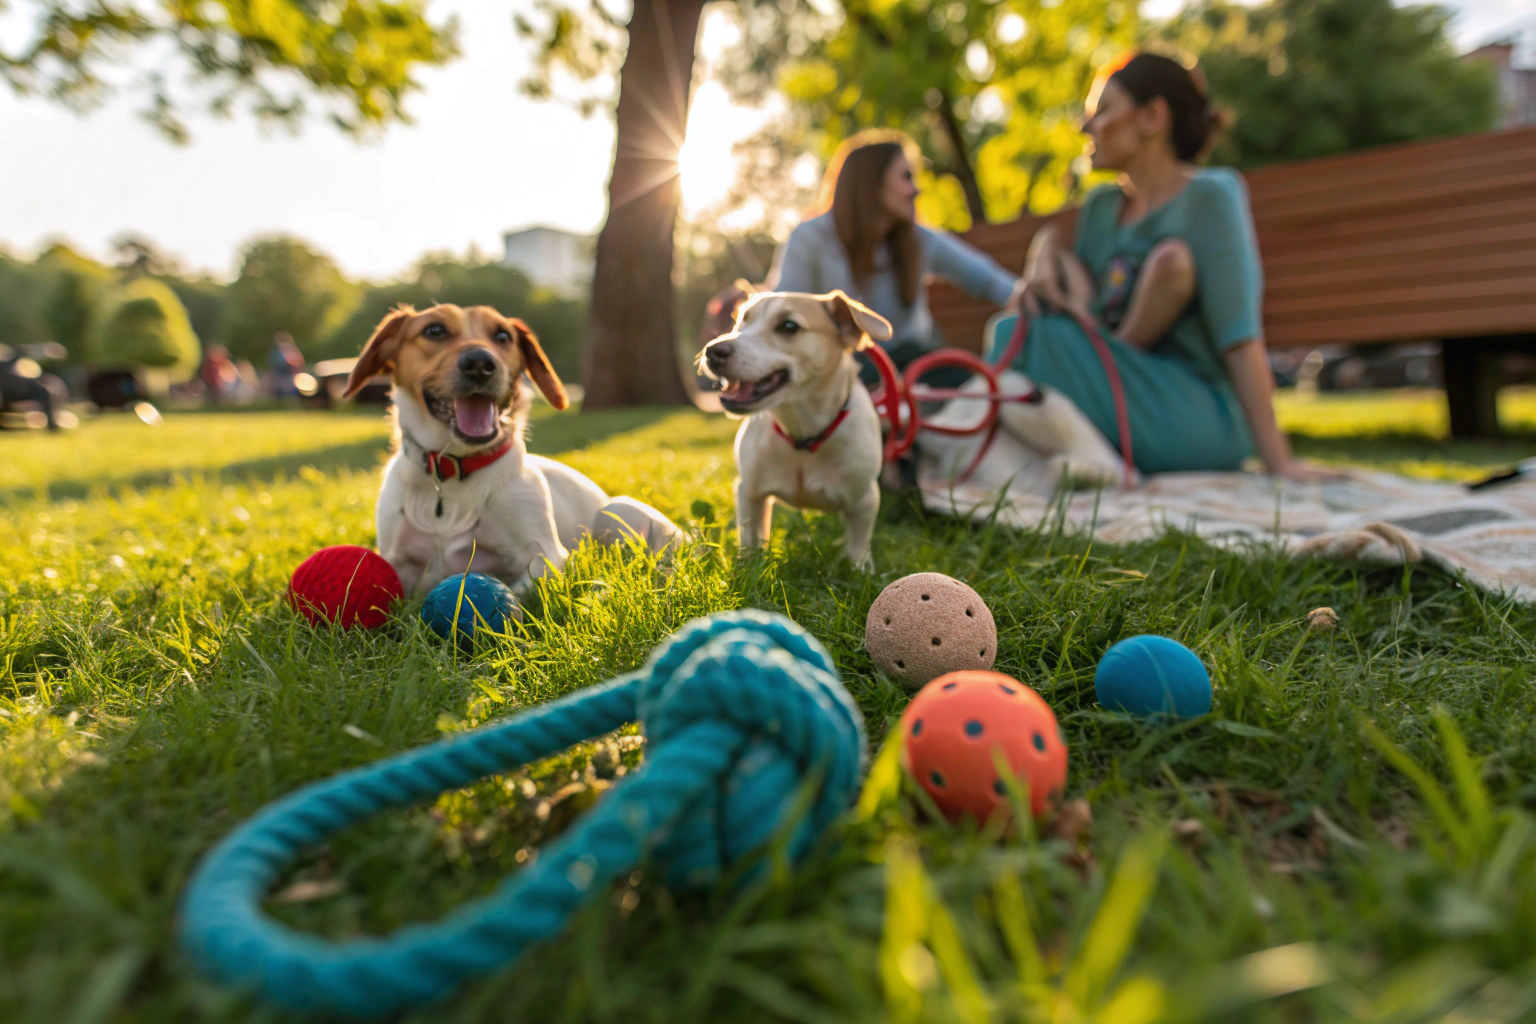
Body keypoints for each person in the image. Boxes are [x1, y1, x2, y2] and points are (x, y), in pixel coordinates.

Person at [1007, 53, 1326, 481]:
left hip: (1196, 413)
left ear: (1152, 117)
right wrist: (1043, 252)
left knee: (1017, 337)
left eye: (1103, 110)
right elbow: (1085, 311)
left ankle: (1072, 453)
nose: (1086, 127)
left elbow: (1240, 339)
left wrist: (1278, 462)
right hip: (1118, 385)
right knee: (1018, 328)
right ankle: (1080, 455)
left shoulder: (1210, 197)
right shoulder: (1102, 207)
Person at [767, 130, 1018, 386]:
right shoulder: (810, 238)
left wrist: (1025, 296)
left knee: (970, 389)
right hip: (843, 370)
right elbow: (781, 311)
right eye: (906, 177)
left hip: (912, 366)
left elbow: (984, 278)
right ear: (872, 183)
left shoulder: (919, 239)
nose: (916, 190)